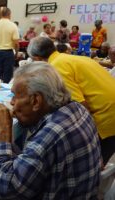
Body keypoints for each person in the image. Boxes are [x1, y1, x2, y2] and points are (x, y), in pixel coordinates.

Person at [0, 62, 101, 199]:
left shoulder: (50, 136)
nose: (11, 102)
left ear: (36, 101)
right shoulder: (77, 108)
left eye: (15, 96)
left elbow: (5, 189)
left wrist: (4, 134)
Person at [27, 36, 115, 164]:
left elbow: (82, 108)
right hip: (110, 111)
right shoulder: (72, 58)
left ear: (37, 59)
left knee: (91, 164)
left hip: (106, 119)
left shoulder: (56, 67)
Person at [0, 7, 19, 83]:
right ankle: (5, 91)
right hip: (8, 52)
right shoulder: (13, 25)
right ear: (9, 14)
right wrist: (16, 53)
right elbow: (16, 43)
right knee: (8, 73)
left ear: (1, 14)